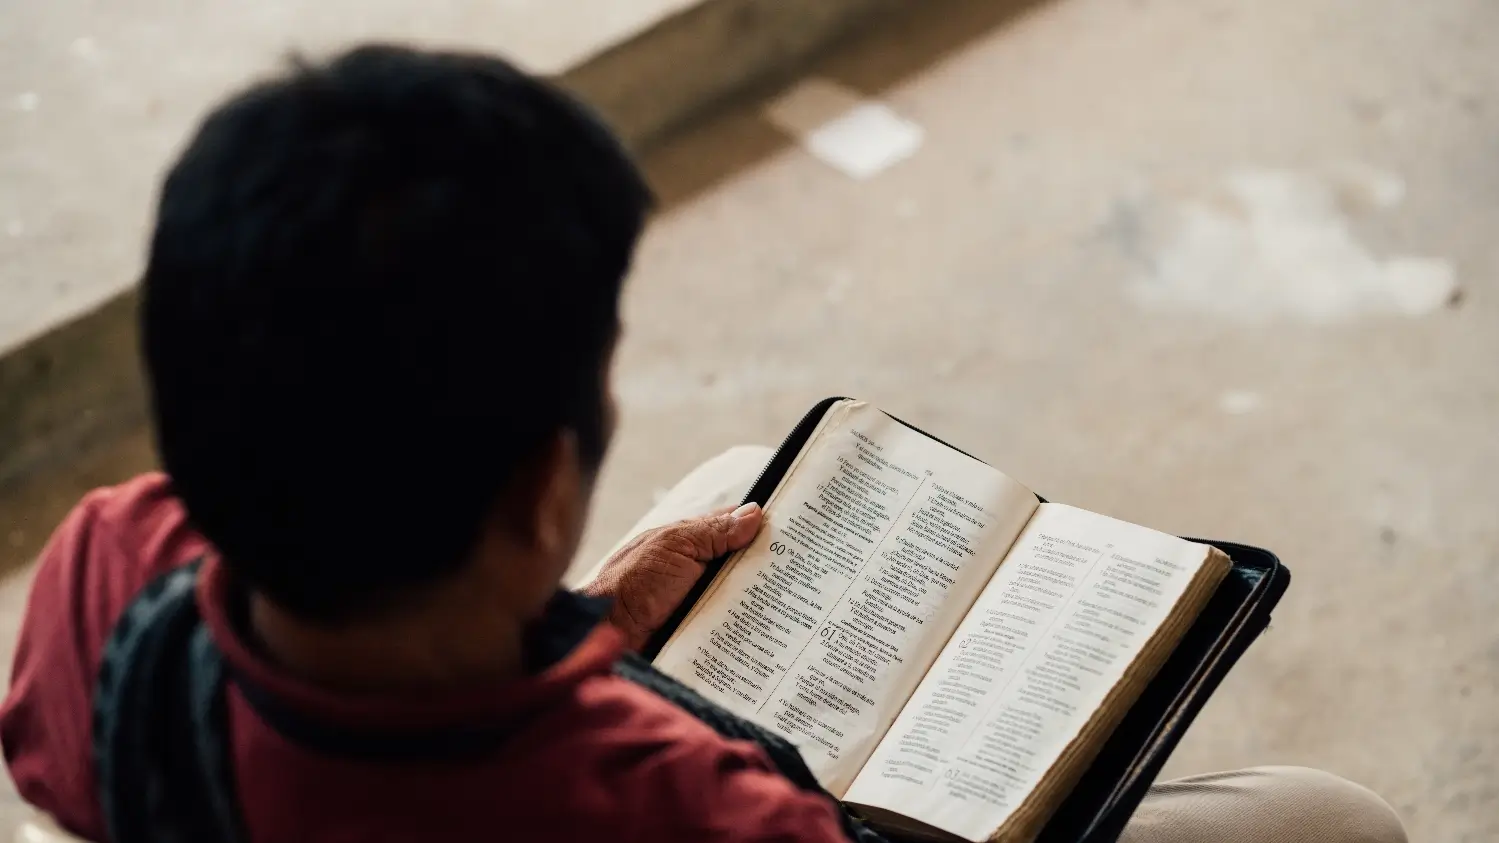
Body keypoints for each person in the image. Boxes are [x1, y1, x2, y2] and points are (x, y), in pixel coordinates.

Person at [0, 45, 1406, 843]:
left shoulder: (103, 562)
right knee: (1331, 822)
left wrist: (581, 614)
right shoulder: (670, 805)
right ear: (542, 485)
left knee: (746, 486)